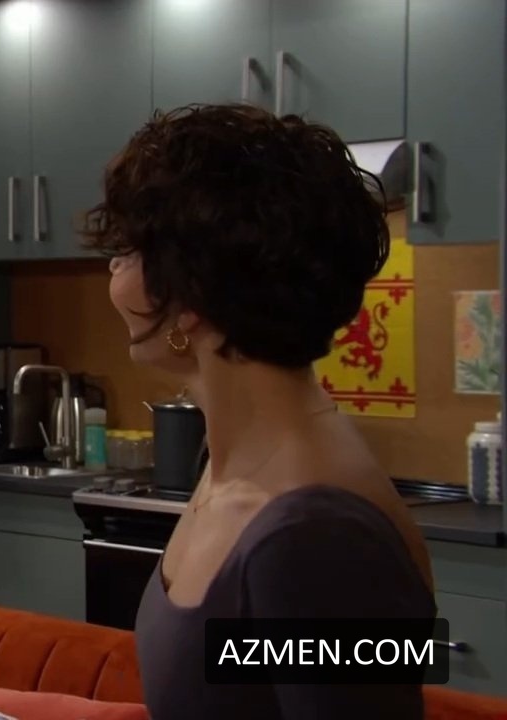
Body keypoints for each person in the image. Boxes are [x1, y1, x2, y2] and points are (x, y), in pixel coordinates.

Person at [81, 103, 436, 719]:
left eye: (131, 250)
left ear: (190, 299)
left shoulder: (314, 536)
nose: (114, 267)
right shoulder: (232, 466)